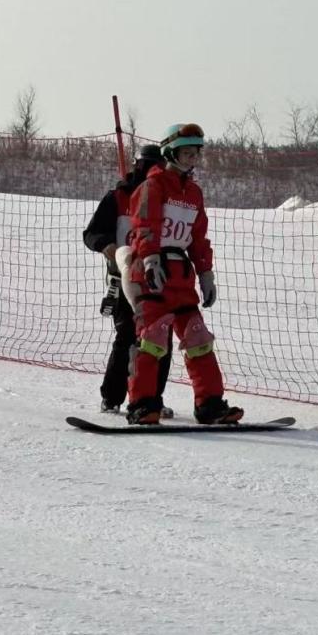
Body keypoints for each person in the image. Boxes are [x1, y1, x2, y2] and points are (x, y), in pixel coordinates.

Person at [114, 122, 243, 425]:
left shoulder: (194, 193)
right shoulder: (153, 186)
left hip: (181, 277)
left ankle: (210, 404)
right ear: (171, 153)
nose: (192, 159)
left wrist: (206, 273)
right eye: (186, 153)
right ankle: (142, 404)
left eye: (196, 153)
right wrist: (150, 260)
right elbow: (144, 225)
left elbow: (198, 237)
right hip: (152, 273)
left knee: (199, 339)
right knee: (152, 339)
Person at [82, 144, 174, 415]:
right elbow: (91, 233)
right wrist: (106, 245)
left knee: (161, 340)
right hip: (124, 277)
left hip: (159, 278)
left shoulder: (168, 196)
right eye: (147, 166)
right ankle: (112, 397)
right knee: (127, 336)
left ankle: (152, 399)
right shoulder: (117, 197)